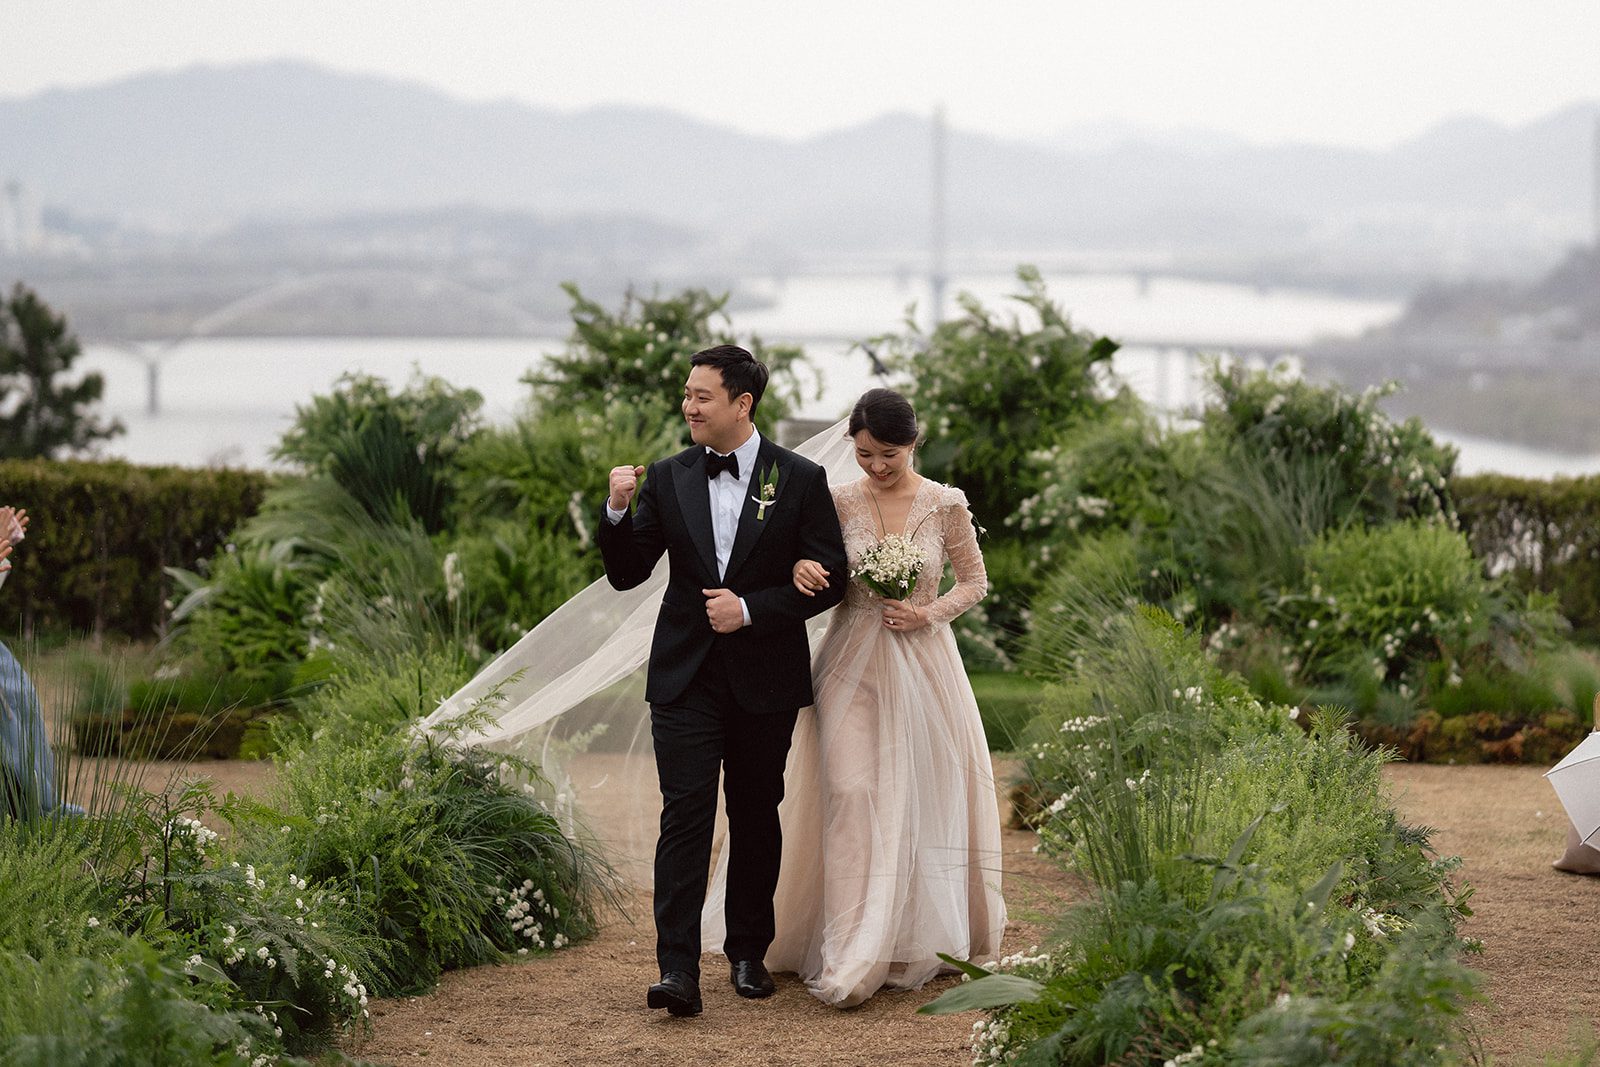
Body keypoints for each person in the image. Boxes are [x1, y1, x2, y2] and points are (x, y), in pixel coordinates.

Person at [702, 387, 1007, 1007]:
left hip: (922, 664)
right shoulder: (837, 501)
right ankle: (849, 946)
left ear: (913, 443)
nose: (875, 466)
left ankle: (906, 933)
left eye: (888, 454)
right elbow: (813, 572)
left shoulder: (944, 504)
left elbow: (976, 581)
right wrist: (803, 573)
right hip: (849, 663)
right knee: (850, 790)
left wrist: (929, 612)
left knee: (914, 794)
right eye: (864, 453)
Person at [596, 344, 848, 1017]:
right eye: (686, 394)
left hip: (765, 677)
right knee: (685, 815)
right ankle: (676, 969)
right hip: (684, 676)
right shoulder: (671, 476)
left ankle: (747, 953)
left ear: (743, 402)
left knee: (756, 813)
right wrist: (617, 510)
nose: (688, 406)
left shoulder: (798, 477)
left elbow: (832, 574)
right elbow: (627, 572)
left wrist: (754, 608)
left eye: (702, 395)